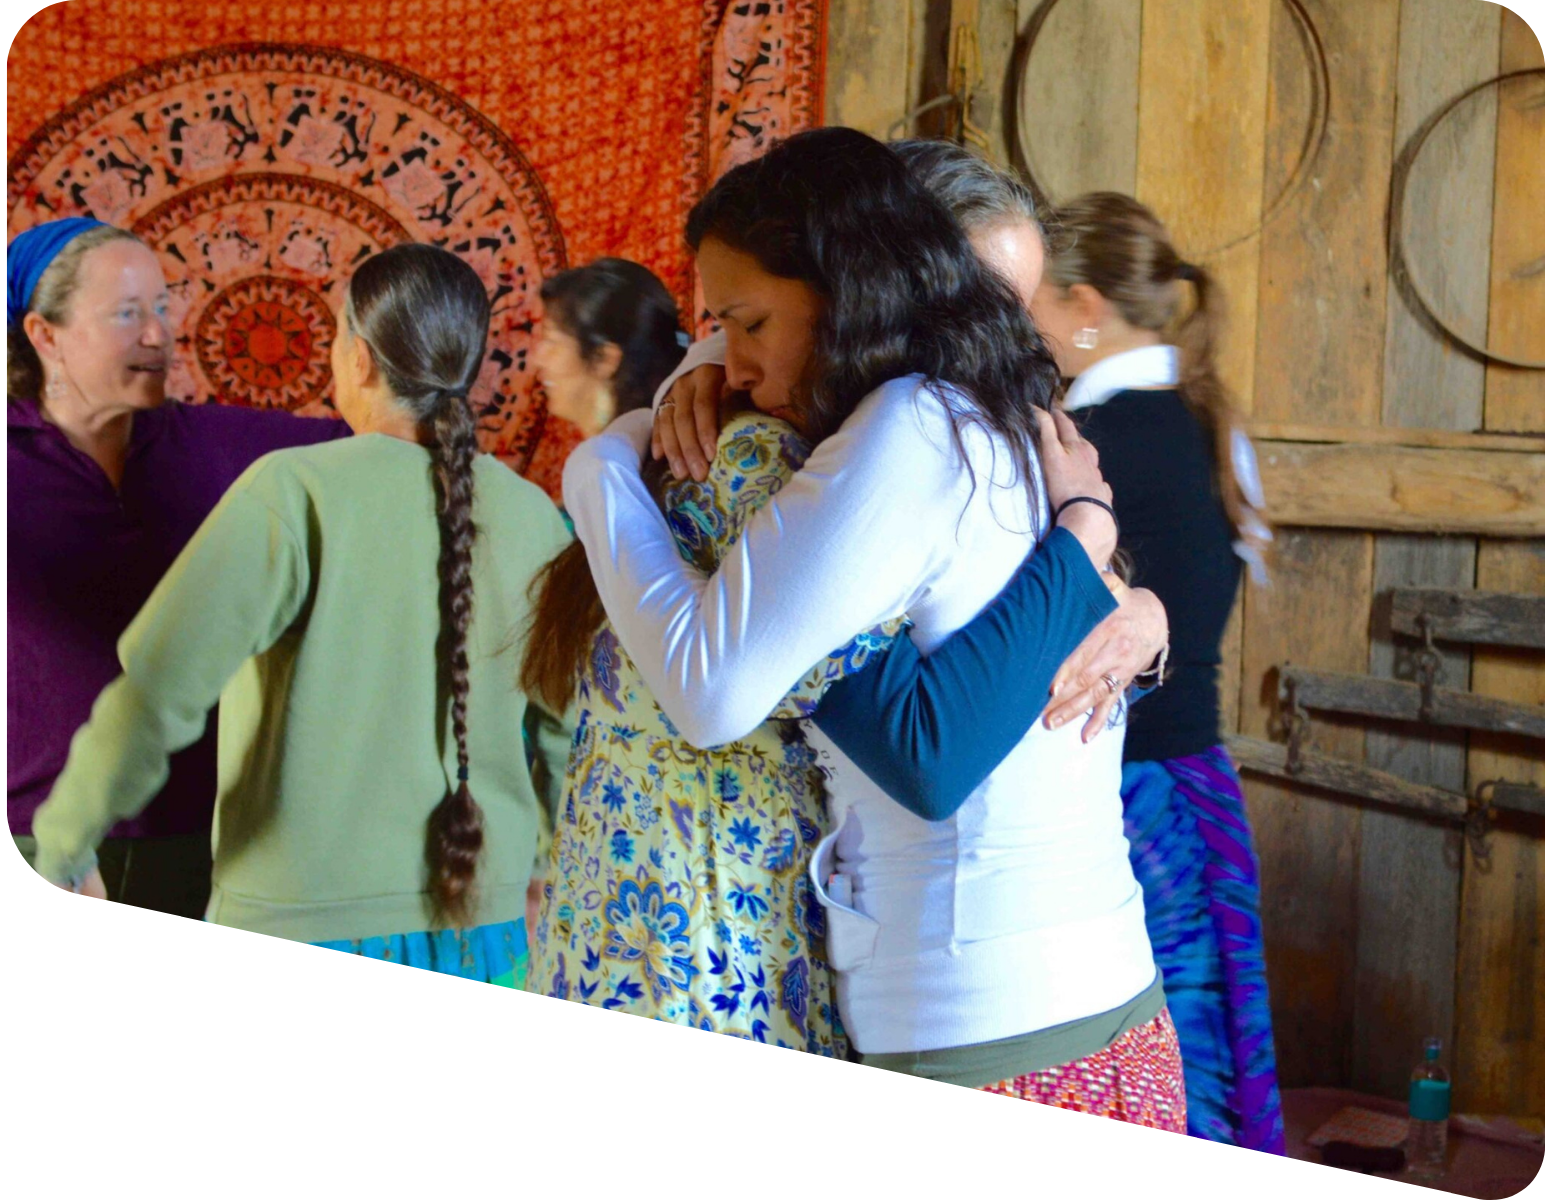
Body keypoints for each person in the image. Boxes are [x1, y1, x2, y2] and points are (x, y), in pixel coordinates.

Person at [562, 127, 1185, 1127]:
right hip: (1081, 989)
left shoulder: (920, 425)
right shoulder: (920, 431)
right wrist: (1089, 545)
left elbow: (921, 748)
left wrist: (595, 465)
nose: (1003, 335)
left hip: (981, 1006)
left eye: (1013, 306)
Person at [30, 243, 572, 988]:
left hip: (300, 915)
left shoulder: (290, 491)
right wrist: (546, 867)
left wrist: (62, 847)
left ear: (356, 356)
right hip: (495, 931)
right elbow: (571, 728)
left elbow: (158, 694)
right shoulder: (532, 512)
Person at [1026, 192, 1282, 1152]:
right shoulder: (1208, 419)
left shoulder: (1094, 447)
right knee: (1207, 1045)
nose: (1025, 327)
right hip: (1197, 784)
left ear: (1083, 305)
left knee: (1158, 1056)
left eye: (1034, 305)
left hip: (1129, 800)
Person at [7, 217, 349, 920]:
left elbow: (396, 430)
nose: (160, 334)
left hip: (205, 845)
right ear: (44, 335)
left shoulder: (220, 444)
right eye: (128, 314)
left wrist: (645, 408)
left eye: (162, 307)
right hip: (32, 836)